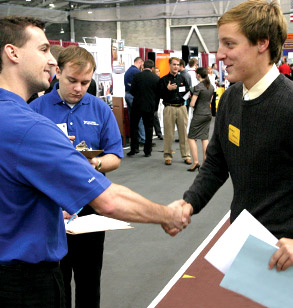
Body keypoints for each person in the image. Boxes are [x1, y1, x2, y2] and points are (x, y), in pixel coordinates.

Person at [0, 16, 192, 308]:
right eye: (43, 49)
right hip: (25, 281)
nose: (52, 60)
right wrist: (167, 215)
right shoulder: (28, 125)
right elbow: (109, 201)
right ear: (12, 53)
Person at [182, 0, 293, 272]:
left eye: (229, 44)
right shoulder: (231, 98)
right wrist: (188, 204)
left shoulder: (289, 105)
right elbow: (216, 164)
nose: (219, 55)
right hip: (247, 247)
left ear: (262, 43)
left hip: (285, 253)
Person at [30, 45, 123, 308]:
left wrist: (94, 164)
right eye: (72, 80)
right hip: (50, 211)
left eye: (85, 82)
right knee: (56, 283)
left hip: (91, 209)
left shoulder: (100, 109)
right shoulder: (36, 109)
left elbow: (115, 156)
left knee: (89, 282)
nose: (79, 88)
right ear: (57, 72)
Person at [159, 57, 192, 166]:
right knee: (169, 133)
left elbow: (188, 92)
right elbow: (160, 95)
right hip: (169, 108)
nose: (176, 67)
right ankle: (168, 156)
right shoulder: (163, 80)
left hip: (182, 107)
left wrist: (184, 100)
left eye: (178, 65)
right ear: (170, 65)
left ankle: (186, 155)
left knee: (183, 133)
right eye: (174, 64)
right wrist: (168, 90)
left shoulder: (182, 78)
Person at [127, 59, 160, 157]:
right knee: (148, 128)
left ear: (143, 66)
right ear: (152, 68)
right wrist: (155, 108)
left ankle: (134, 149)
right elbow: (158, 96)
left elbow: (132, 91)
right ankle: (147, 150)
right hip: (149, 106)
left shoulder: (137, 76)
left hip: (137, 105)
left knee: (134, 127)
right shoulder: (156, 78)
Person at [187, 67, 214, 172]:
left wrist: (194, 105)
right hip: (208, 113)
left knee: (191, 137)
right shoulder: (210, 86)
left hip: (199, 114)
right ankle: (205, 162)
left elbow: (192, 103)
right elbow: (210, 100)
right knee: (204, 138)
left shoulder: (198, 87)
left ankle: (195, 162)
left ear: (198, 75)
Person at [124, 56, 145, 146]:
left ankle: (135, 139)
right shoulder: (136, 72)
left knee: (132, 117)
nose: (142, 66)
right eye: (142, 64)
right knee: (139, 117)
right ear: (140, 62)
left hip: (128, 94)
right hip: (133, 96)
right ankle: (143, 138)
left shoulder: (128, 71)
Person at [152, 66, 163, 140]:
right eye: (156, 71)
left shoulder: (160, 80)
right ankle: (158, 133)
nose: (158, 73)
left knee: (156, 116)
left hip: (158, 100)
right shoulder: (153, 80)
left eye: (159, 71)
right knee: (155, 116)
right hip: (152, 100)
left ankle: (158, 132)